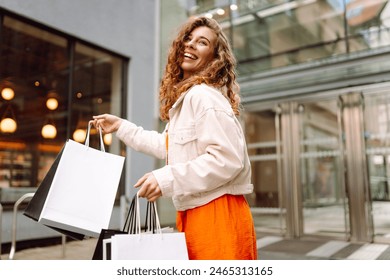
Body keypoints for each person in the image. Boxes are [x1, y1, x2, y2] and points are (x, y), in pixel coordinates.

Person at [92, 16, 257, 260]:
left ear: (215, 58)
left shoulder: (204, 96)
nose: (190, 44)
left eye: (202, 42)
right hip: (198, 212)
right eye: (188, 39)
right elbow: (168, 145)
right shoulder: (190, 97)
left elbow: (228, 159)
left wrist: (166, 178)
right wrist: (121, 126)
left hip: (217, 215)